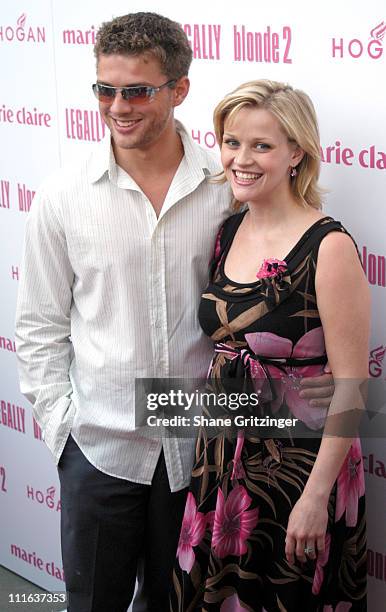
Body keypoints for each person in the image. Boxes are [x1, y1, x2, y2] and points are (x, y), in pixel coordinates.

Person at [15, 13, 335, 612]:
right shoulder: (63, 197)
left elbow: (278, 283)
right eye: (105, 89)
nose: (118, 106)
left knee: (178, 605)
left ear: (179, 89)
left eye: (137, 90)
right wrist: (65, 432)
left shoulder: (225, 188)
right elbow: (38, 328)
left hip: (201, 456)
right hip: (100, 449)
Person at [171, 80, 369, 611]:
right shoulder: (228, 230)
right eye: (232, 142)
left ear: (296, 153)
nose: (241, 158)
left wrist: (315, 497)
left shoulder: (328, 246)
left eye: (261, 145)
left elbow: (350, 389)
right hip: (221, 460)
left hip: (297, 470)